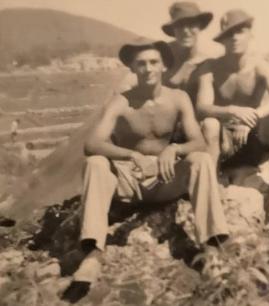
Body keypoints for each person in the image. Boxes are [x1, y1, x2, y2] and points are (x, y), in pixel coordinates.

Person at [70, 37, 229, 287]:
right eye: (141, 64)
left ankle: (211, 249)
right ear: (132, 68)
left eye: (154, 62)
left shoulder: (178, 98)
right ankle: (92, 255)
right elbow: (92, 144)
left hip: (166, 180)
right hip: (130, 183)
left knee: (200, 159)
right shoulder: (120, 101)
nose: (148, 69)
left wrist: (173, 149)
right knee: (95, 163)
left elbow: (199, 143)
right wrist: (133, 155)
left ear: (164, 66)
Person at [196, 9, 269, 222]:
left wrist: (254, 117)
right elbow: (202, 107)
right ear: (222, 40)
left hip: (253, 141)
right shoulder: (210, 68)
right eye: (230, 33)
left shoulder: (260, 66)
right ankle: (211, 188)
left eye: (241, 31)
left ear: (251, 35)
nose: (235, 37)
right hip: (223, 145)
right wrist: (232, 111)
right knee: (210, 124)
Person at [119, 1, 214, 105]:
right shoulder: (161, 53)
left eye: (191, 24)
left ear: (199, 26)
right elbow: (128, 81)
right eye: (180, 25)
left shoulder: (206, 60)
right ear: (173, 29)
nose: (186, 31)